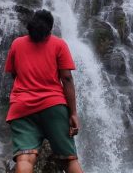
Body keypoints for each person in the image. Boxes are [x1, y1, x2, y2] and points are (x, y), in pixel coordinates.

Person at [5, 10, 84, 173]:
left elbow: (15, 74)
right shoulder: (59, 44)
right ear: (50, 29)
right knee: (69, 159)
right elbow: (67, 79)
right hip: (53, 106)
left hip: (21, 107)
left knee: (25, 158)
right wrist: (73, 113)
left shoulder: (17, 44)